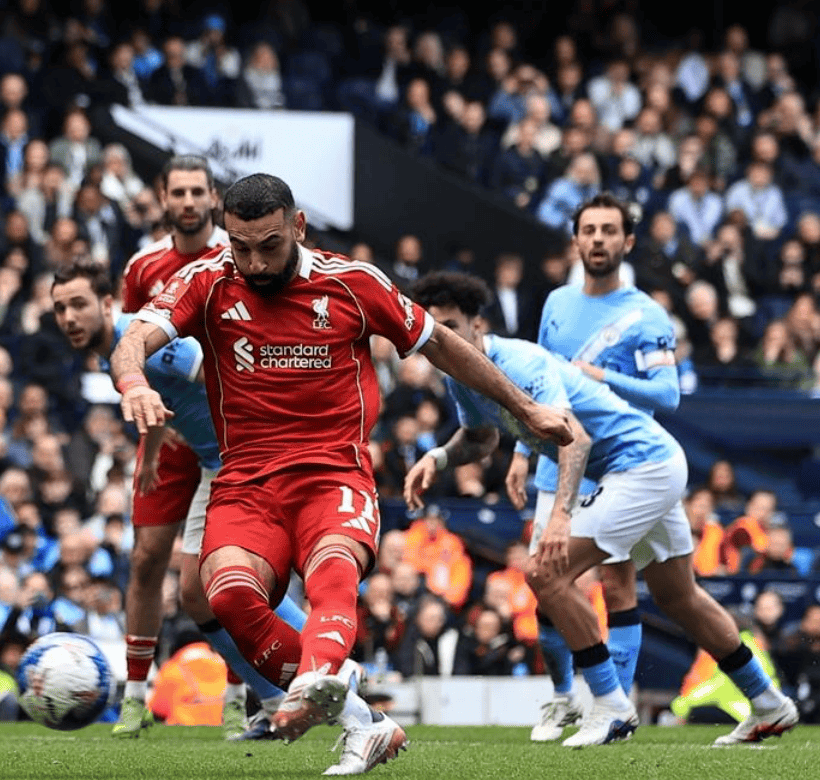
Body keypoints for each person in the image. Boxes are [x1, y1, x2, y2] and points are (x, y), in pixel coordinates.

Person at [112, 173, 571, 774]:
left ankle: (321, 688)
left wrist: (527, 408)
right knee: (226, 595)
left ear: (298, 227)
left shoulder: (353, 283)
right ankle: (361, 718)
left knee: (333, 574)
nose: (254, 262)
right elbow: (132, 339)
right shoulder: (208, 279)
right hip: (246, 482)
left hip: (334, 475)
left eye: (269, 245)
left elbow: (440, 345)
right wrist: (134, 382)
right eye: (241, 247)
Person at [403, 270, 797, 747]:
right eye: (434, 331)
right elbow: (481, 438)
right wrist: (439, 457)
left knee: (545, 573)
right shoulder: (460, 377)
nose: (441, 341)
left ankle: (610, 703)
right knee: (679, 597)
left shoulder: (520, 361)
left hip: (640, 467)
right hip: (651, 464)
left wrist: (561, 515)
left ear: (477, 325)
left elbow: (576, 439)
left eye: (450, 328)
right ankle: (768, 702)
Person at [51, 260, 299, 741]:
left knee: (224, 585)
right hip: (212, 465)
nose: (69, 317)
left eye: (79, 304)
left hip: (242, 461)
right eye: (60, 309)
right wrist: (152, 451)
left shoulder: (147, 342)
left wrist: (258, 442)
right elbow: (161, 399)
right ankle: (274, 702)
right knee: (195, 595)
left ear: (108, 304)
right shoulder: (110, 354)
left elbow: (220, 371)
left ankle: (331, 667)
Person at [112, 155, 297, 740]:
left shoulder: (242, 256)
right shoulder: (143, 268)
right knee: (148, 560)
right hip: (172, 433)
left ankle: (250, 694)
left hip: (231, 436)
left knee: (225, 572)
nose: (189, 202)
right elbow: (134, 350)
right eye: (179, 192)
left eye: (198, 192)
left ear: (214, 197)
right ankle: (134, 698)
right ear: (163, 197)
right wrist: (151, 433)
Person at [507, 193, 681, 742]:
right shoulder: (556, 302)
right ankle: (563, 698)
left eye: (608, 230)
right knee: (545, 582)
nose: (598, 239)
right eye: (589, 230)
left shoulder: (647, 313)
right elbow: (533, 380)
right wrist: (520, 452)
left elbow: (669, 394)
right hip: (556, 462)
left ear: (627, 241)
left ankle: (615, 709)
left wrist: (601, 377)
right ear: (576, 240)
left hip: (618, 464)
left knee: (617, 586)